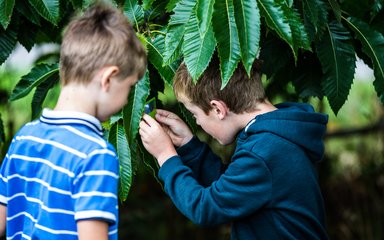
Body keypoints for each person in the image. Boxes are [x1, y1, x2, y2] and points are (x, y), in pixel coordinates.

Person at [139, 57, 329, 239]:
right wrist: (188, 145)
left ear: (218, 109)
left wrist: (165, 156)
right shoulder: (276, 135)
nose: (197, 123)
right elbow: (232, 189)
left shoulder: (263, 152)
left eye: (195, 115)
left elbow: (205, 208)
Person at [0, 2, 146, 240]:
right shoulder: (96, 155)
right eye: (129, 88)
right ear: (109, 79)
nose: (126, 101)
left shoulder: (24, 138)